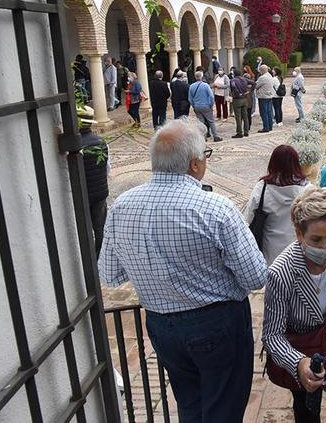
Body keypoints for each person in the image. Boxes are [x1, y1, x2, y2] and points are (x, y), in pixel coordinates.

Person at [99, 119, 267, 422]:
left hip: (162, 326)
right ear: (194, 164)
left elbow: (110, 274)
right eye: (205, 156)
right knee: (223, 408)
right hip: (217, 324)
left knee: (190, 405)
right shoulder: (216, 208)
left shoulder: (122, 205)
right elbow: (255, 276)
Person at [262, 187, 326, 422]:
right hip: (302, 344)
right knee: (307, 408)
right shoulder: (281, 273)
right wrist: (298, 364)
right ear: (299, 234)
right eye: (316, 239)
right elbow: (272, 336)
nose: (325, 247)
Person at [243, 145, 311, 264]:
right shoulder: (307, 190)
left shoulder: (263, 188)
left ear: (272, 164)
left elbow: (247, 217)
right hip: (298, 248)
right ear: (296, 163)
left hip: (269, 250)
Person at [77, 106, 109, 254]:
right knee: (100, 227)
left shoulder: (76, 145)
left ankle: (88, 258)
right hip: (100, 192)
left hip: (82, 193)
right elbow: (107, 168)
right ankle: (99, 256)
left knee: (83, 229)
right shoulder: (101, 142)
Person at [188, 71, 222, 142]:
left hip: (197, 106)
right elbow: (211, 96)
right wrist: (211, 104)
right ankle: (215, 136)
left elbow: (190, 99)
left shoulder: (191, 86)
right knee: (211, 122)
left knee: (201, 123)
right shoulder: (206, 85)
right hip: (206, 106)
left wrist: (194, 105)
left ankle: (203, 137)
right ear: (201, 77)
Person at [230, 69, 254, 137]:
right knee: (245, 116)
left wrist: (238, 93)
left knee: (238, 117)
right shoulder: (244, 79)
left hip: (237, 100)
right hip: (245, 99)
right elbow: (254, 83)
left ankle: (239, 132)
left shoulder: (233, 80)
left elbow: (233, 87)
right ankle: (246, 131)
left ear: (234, 74)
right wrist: (250, 91)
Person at [255, 65, 276, 132]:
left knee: (264, 112)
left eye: (260, 70)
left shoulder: (262, 77)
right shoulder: (270, 75)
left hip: (263, 96)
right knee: (269, 112)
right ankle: (270, 126)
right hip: (269, 96)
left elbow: (256, 85)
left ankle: (266, 127)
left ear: (262, 70)